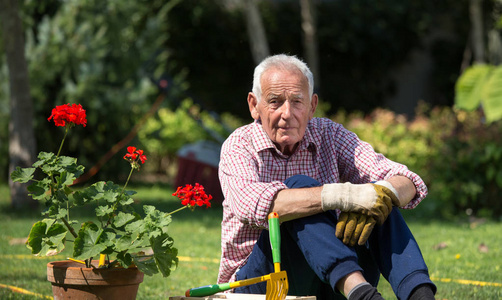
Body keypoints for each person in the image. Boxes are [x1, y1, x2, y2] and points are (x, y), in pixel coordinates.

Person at [217, 54, 436, 300]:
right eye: (275, 102)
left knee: (381, 199)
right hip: (260, 284)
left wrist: (380, 193)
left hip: (325, 279)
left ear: (312, 105)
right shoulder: (239, 145)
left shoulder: (329, 134)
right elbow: (253, 206)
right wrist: (343, 196)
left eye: (297, 102)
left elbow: (407, 180)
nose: (287, 113)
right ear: (254, 105)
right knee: (298, 190)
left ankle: (421, 295)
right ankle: (362, 294)